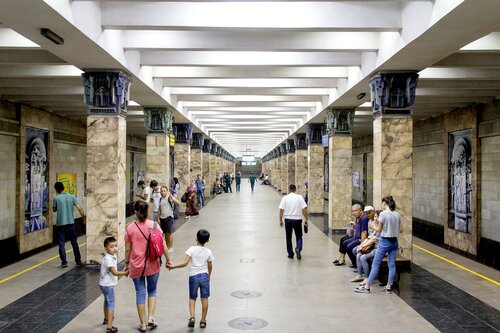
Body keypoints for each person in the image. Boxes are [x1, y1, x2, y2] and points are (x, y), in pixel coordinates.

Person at [125, 201, 171, 332]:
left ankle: (143, 324)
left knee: (140, 292)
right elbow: (163, 245)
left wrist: (127, 264)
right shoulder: (154, 225)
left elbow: (128, 249)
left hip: (136, 265)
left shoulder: (130, 228)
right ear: (147, 212)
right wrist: (169, 260)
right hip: (153, 263)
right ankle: (151, 318)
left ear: (135, 212)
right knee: (152, 291)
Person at [167, 229, 214, 329]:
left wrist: (173, 266)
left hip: (193, 276)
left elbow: (185, 263)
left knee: (192, 298)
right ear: (207, 241)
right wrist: (208, 276)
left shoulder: (191, 249)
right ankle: (203, 321)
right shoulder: (208, 251)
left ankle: (192, 317)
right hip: (204, 276)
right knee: (204, 298)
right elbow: (210, 266)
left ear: (196, 238)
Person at [355, 196, 401, 294]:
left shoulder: (383, 214)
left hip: (384, 241)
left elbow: (378, 230)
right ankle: (388, 287)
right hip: (394, 242)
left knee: (375, 264)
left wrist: (373, 226)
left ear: (385, 203)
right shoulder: (397, 214)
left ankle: (367, 287)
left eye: (382, 203)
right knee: (392, 265)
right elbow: (401, 230)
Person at [52, 182, 86, 268]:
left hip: (60, 225)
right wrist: (84, 218)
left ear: (56, 189)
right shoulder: (72, 197)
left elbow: (54, 209)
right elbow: (80, 209)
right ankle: (78, 261)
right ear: (64, 187)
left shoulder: (56, 198)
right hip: (71, 224)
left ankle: (64, 262)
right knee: (74, 243)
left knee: (61, 244)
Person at [99, 236, 129, 333]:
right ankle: (109, 327)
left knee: (107, 301)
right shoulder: (109, 259)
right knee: (111, 303)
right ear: (106, 248)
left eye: (116, 246)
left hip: (103, 284)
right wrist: (125, 273)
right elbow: (115, 272)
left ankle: (106, 318)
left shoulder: (112, 256)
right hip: (107, 285)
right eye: (112, 247)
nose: (115, 248)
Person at [279, 184, 308, 260]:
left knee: (288, 237)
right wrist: (306, 219)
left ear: (289, 189)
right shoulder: (299, 197)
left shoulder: (285, 198)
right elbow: (304, 209)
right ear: (295, 190)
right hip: (297, 220)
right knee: (299, 236)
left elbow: (281, 210)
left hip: (288, 220)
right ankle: (298, 248)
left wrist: (280, 220)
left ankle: (290, 254)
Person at [351, 210, 381, 284]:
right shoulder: (375, 226)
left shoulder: (380, 227)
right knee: (358, 254)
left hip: (379, 249)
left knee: (363, 257)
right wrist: (361, 246)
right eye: (375, 217)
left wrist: (363, 246)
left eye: (377, 217)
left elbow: (374, 239)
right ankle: (360, 274)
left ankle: (367, 277)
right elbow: (369, 237)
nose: (376, 219)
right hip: (372, 247)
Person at [158, 186, 180, 252]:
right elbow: (159, 209)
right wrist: (158, 218)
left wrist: (172, 198)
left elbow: (178, 203)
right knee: (165, 233)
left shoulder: (169, 198)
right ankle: (167, 247)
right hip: (162, 217)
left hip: (169, 217)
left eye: (164, 191)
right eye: (161, 191)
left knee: (169, 232)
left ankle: (170, 247)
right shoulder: (160, 199)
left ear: (167, 191)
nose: (163, 192)